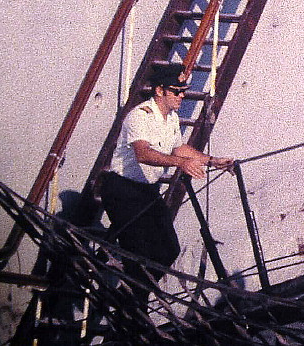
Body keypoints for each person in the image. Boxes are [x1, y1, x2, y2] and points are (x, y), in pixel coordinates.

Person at [100, 63, 234, 305]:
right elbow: (143, 153)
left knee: (169, 249)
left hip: (145, 190)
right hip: (121, 189)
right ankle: (132, 306)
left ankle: (130, 295)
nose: (182, 95)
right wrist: (180, 164)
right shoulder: (139, 116)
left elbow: (178, 147)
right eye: (177, 91)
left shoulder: (171, 117)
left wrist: (213, 161)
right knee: (141, 253)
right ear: (160, 91)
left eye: (183, 90)